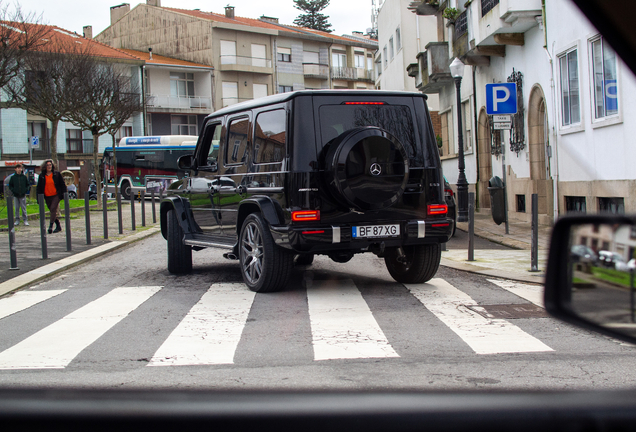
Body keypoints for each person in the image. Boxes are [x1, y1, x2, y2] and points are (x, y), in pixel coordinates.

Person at [36, 159, 67, 234]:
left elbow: (62, 184)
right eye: (47, 165)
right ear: (45, 166)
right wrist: (38, 198)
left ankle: (50, 226)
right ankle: (58, 225)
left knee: (53, 209)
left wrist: (64, 194)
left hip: (56, 195)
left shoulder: (56, 174)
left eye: (50, 165)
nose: (49, 166)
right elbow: (39, 188)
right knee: (52, 211)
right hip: (47, 196)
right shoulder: (42, 176)